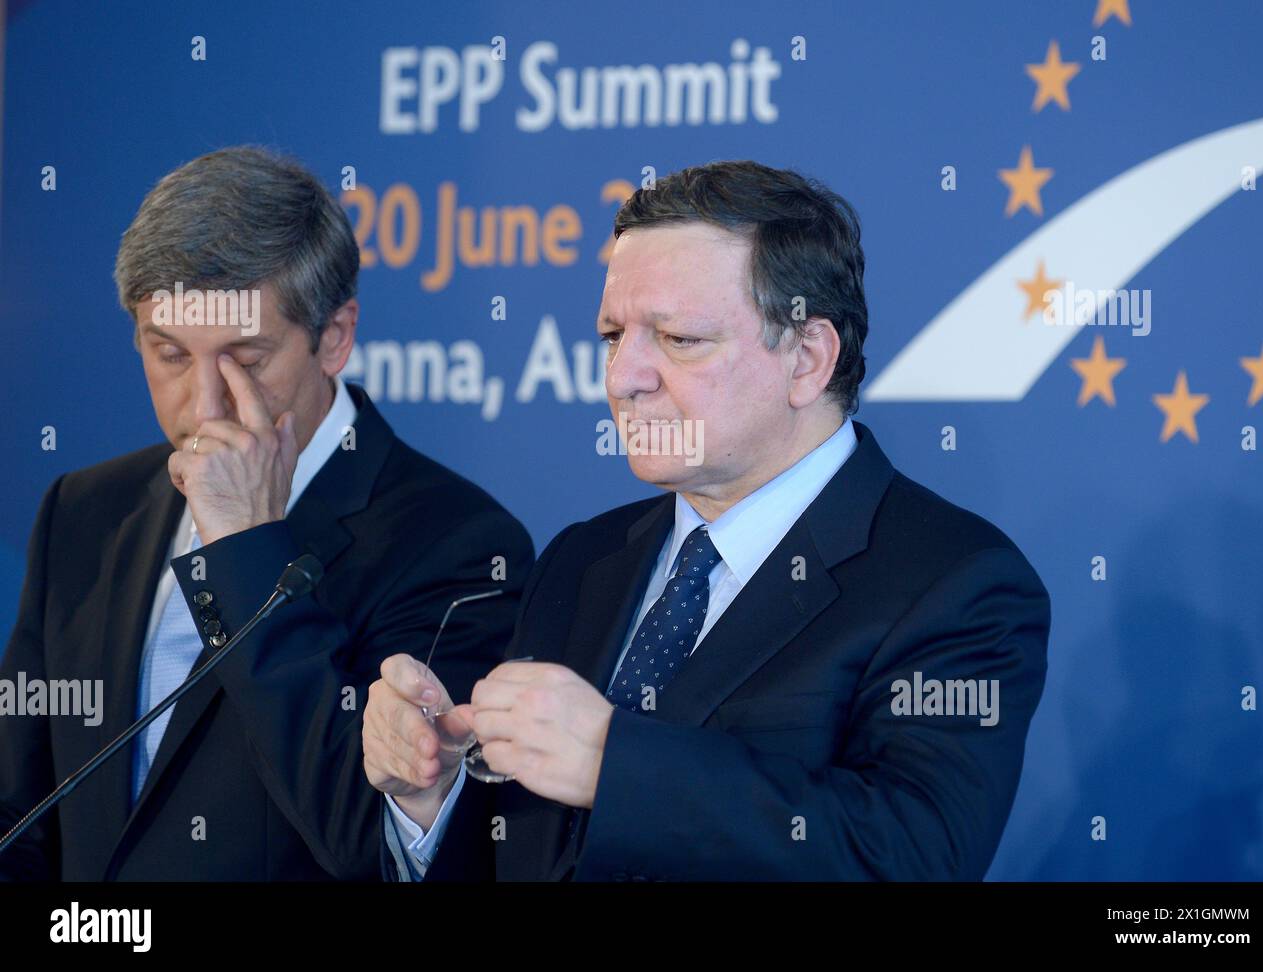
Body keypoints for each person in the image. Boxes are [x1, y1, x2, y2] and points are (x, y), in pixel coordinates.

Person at [364, 160, 1051, 881]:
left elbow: (910, 858)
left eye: (679, 339)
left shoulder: (955, 581)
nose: (624, 377)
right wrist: (430, 798)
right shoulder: (581, 558)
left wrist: (613, 761)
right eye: (612, 336)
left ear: (808, 359)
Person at [0, 146, 533, 880]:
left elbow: (371, 841)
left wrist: (246, 546)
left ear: (335, 338)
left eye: (246, 359)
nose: (205, 404)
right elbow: (19, 809)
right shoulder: (84, 511)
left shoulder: (461, 546)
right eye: (170, 354)